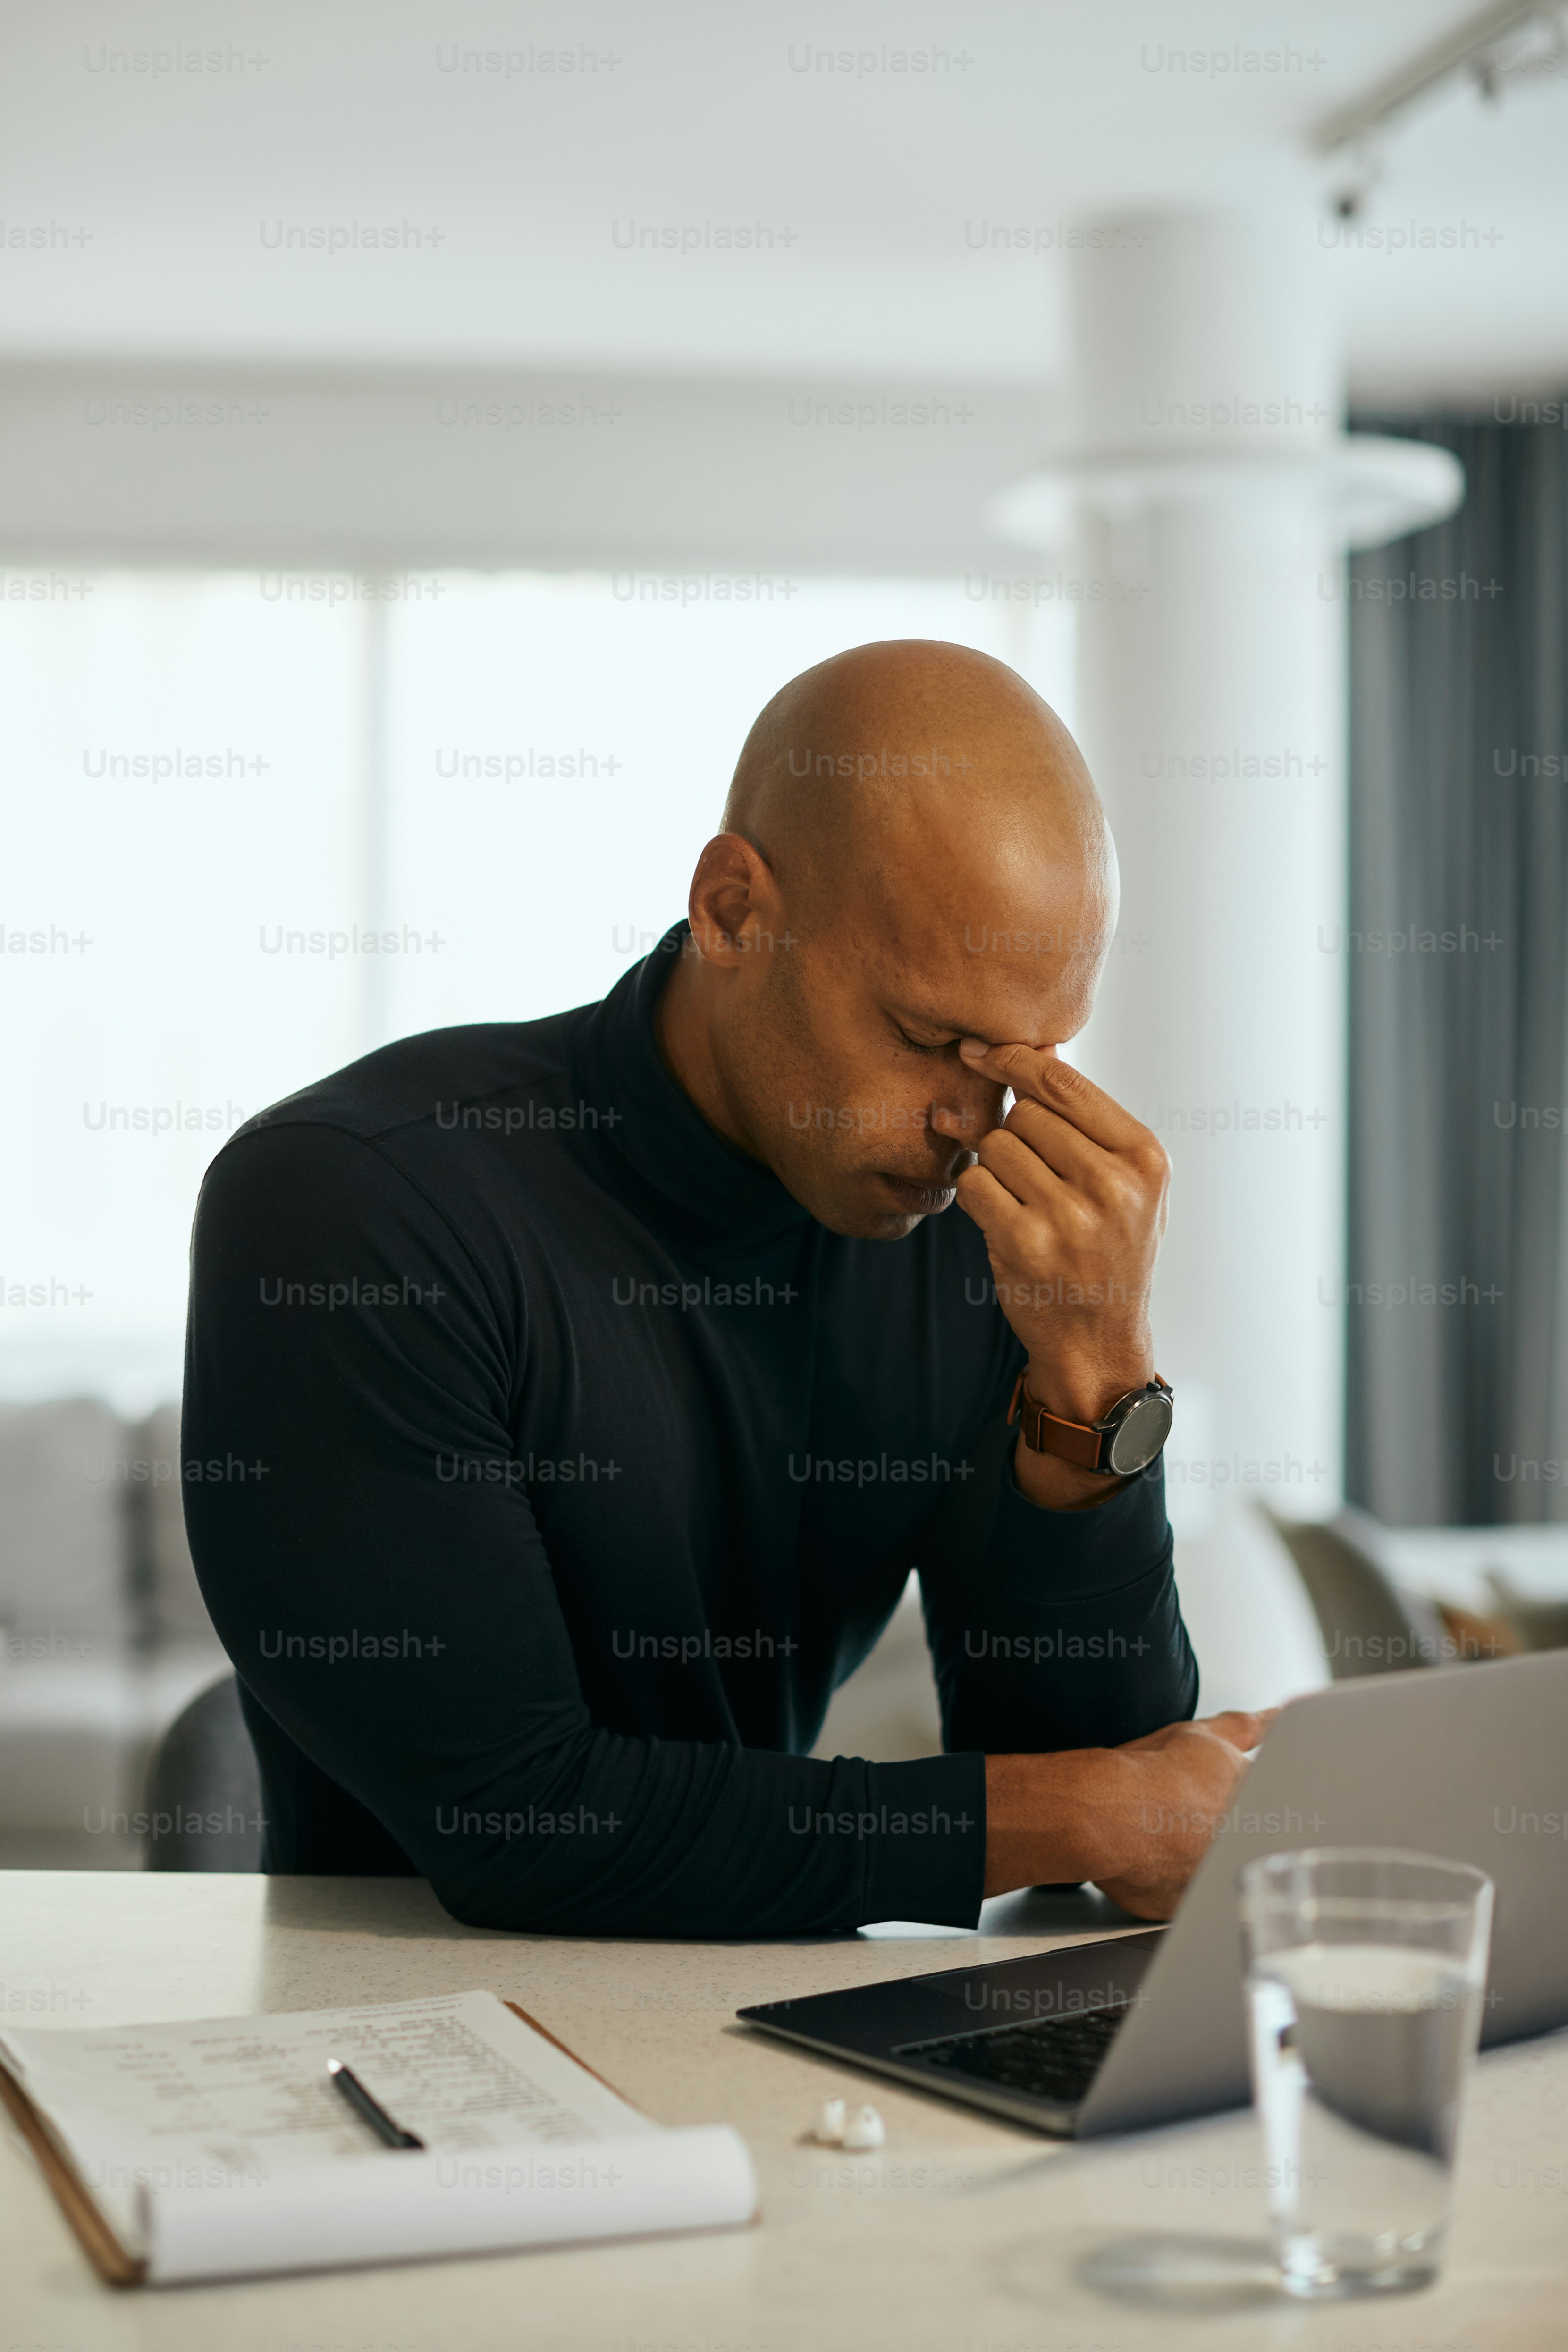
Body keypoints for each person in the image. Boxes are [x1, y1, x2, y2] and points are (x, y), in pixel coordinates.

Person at [183, 639, 1270, 1937]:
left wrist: (1094, 1381)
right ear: (733, 910)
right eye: (929, 1040)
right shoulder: (353, 1205)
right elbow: (518, 1822)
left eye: (1024, 1063)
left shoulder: (968, 1229)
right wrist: (1085, 1812)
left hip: (770, 2029)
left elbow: (1096, 1790)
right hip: (400, 2053)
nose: (971, 1122)